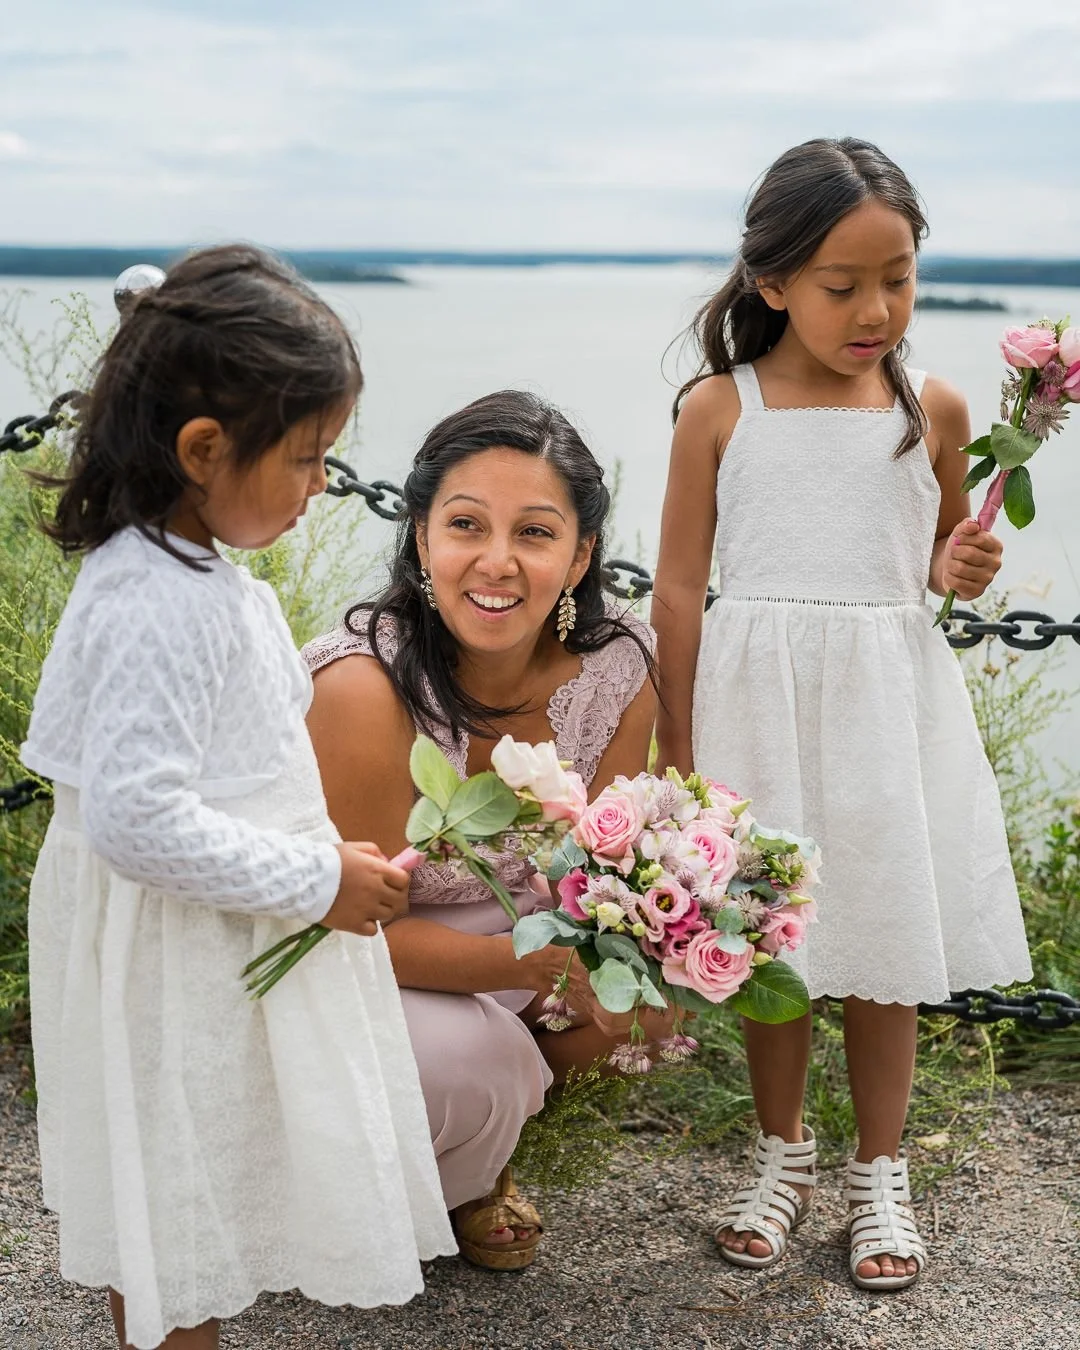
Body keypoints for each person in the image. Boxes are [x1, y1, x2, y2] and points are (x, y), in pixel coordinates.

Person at [21, 245, 456, 1350]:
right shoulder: (160, 602)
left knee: (180, 1196)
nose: (321, 486)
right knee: (177, 1208)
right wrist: (317, 880)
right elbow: (134, 818)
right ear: (203, 449)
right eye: (307, 459)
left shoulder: (182, 565)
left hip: (190, 940)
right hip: (172, 952)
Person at [651, 138, 1032, 1292]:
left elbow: (936, 564)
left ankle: (879, 1170)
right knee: (775, 940)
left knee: (881, 944)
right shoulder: (721, 407)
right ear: (770, 281)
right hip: (756, 706)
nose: (876, 309)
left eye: (899, 277)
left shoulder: (939, 406)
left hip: (885, 708)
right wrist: (677, 745)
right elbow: (676, 584)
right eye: (842, 285)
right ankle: (781, 1151)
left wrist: (965, 568)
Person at [303, 389, 660, 1271]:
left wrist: (635, 944)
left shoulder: (617, 668)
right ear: (422, 536)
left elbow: (601, 877)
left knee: (636, 1013)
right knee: (470, 1065)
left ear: (579, 556)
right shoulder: (364, 686)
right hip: (347, 959)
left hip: (511, 937)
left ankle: (469, 1149)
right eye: (467, 525)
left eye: (535, 534)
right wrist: (527, 967)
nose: (496, 562)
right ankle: (429, 1178)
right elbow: (345, 930)